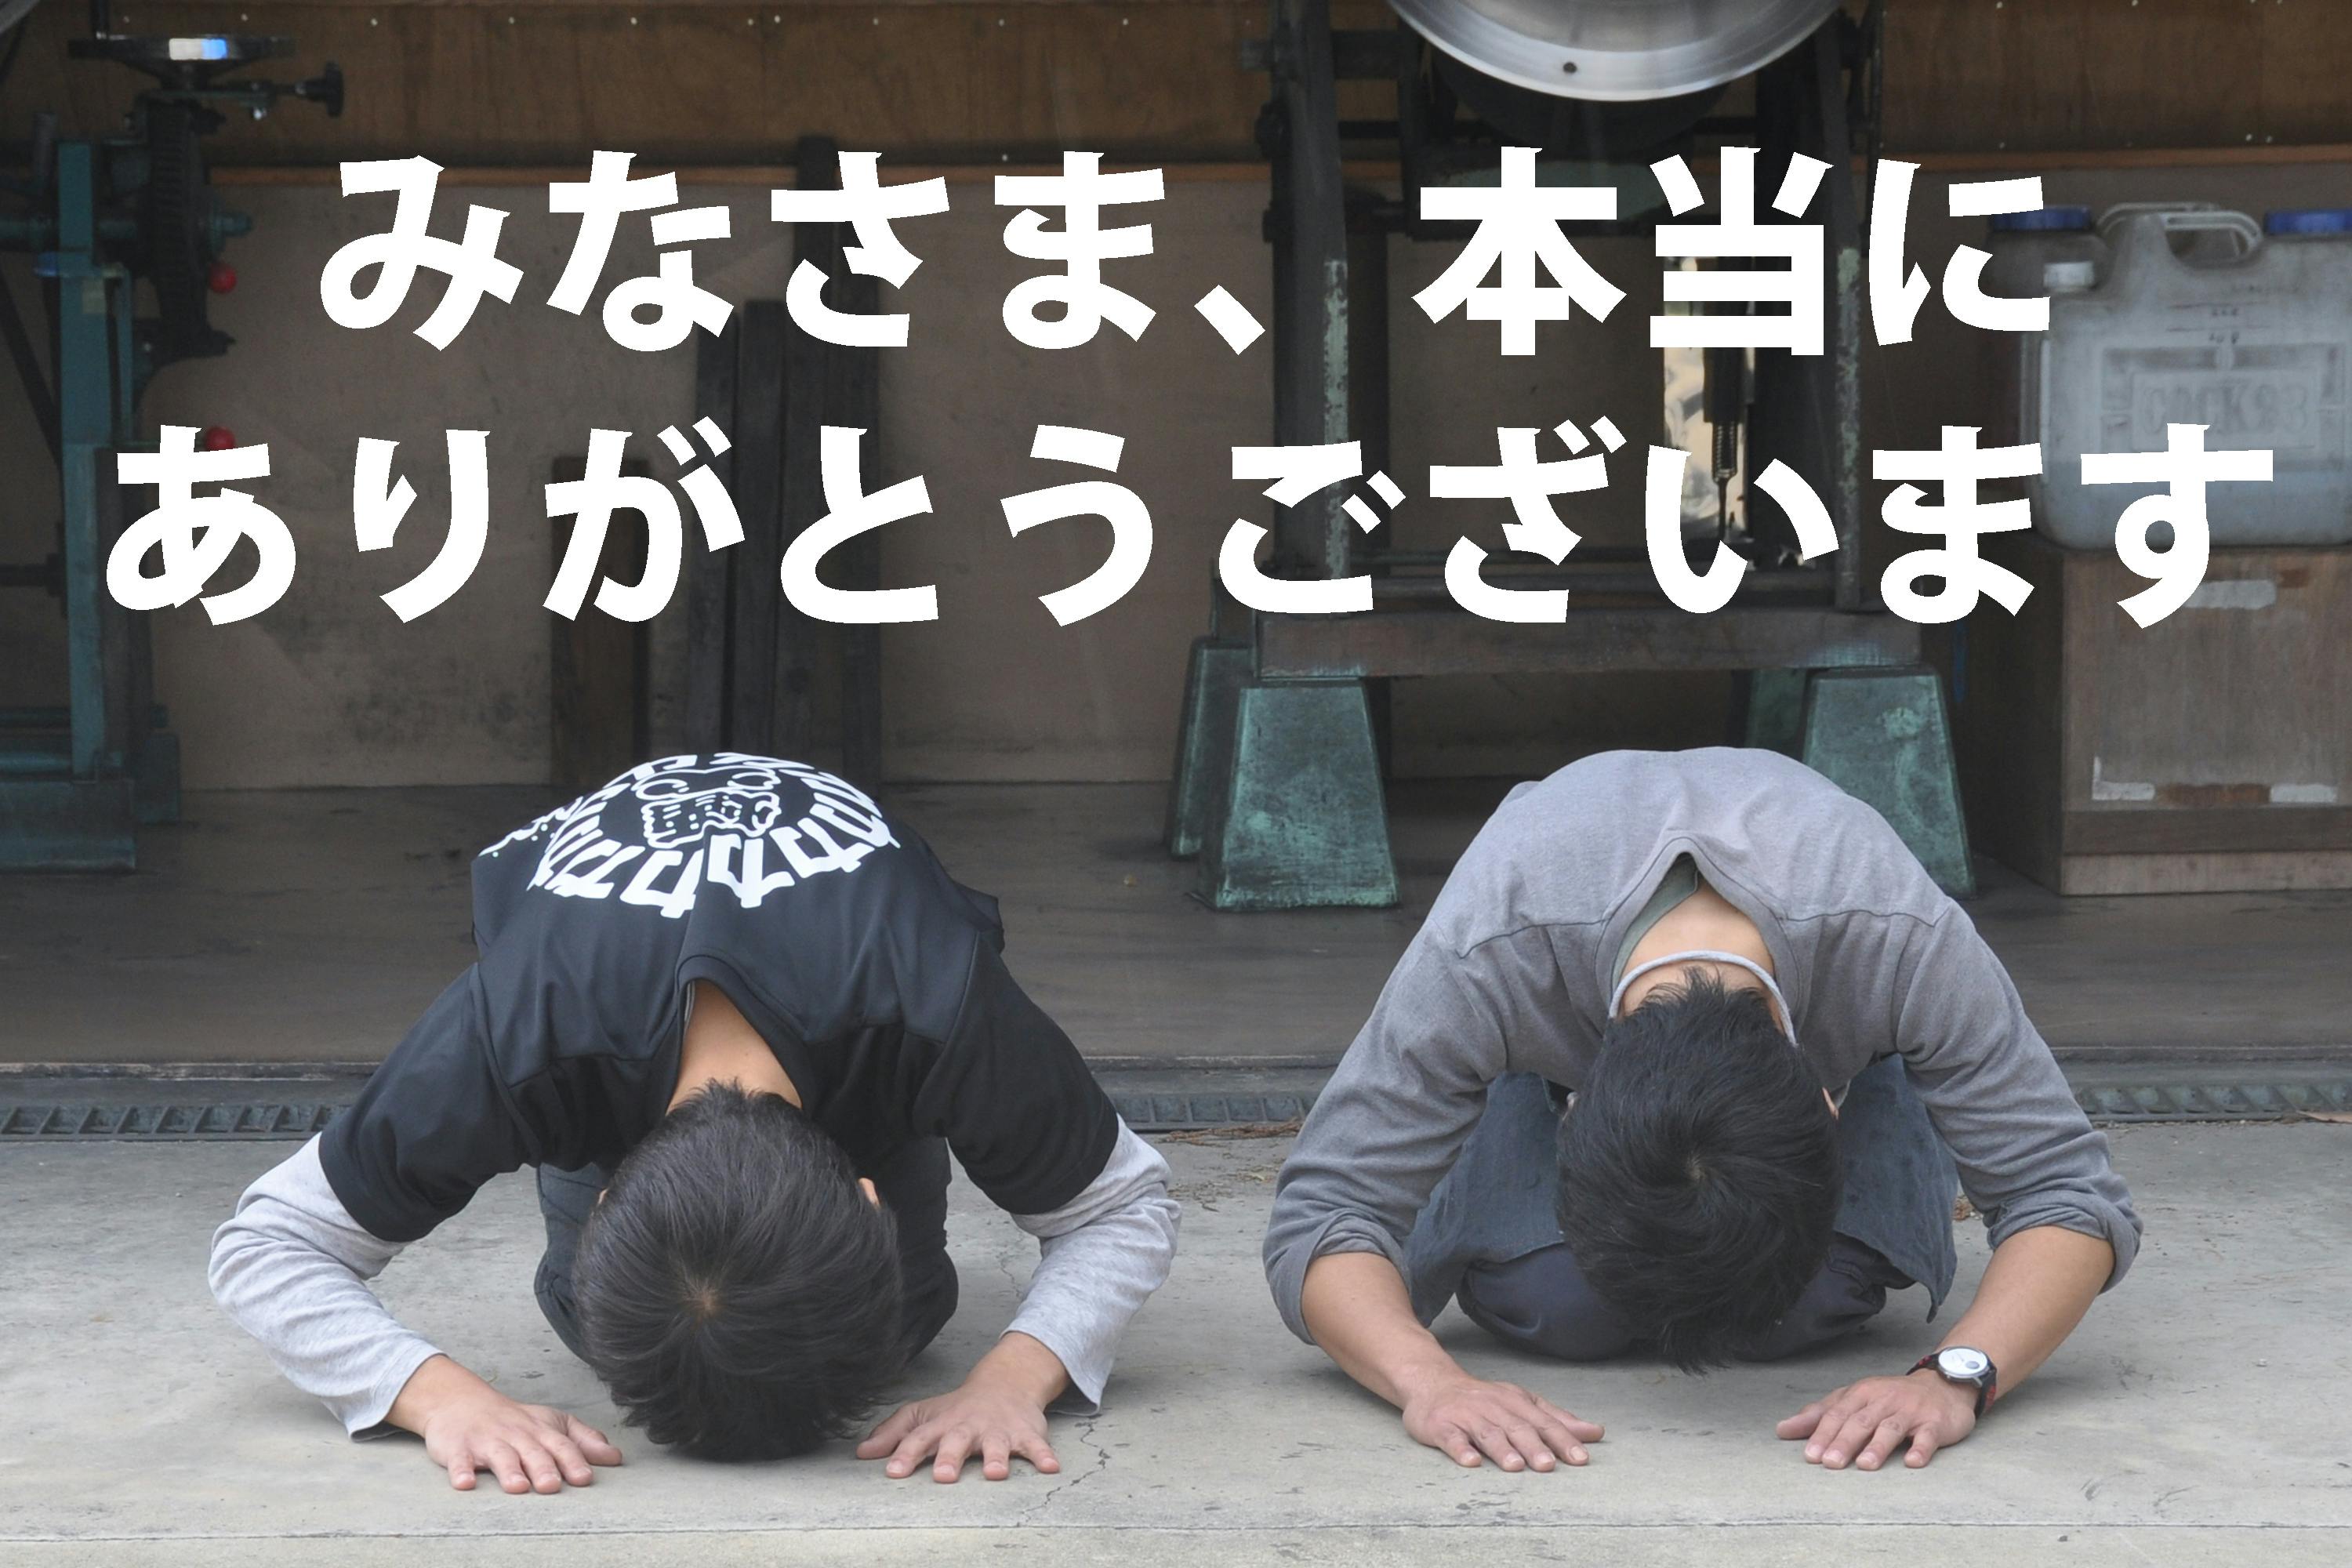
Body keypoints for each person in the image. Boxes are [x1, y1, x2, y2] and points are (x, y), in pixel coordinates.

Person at [212, 753, 1178, 1493]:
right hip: (601, 987)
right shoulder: (521, 1030)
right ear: (601, 1200)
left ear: (868, 1192)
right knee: (655, 1326)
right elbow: (268, 1242)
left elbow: (1121, 1202)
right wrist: (438, 1399)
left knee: (903, 1314)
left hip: (859, 984)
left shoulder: (936, 1000)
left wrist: (1015, 1377)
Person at [1263, 746, 2140, 1475]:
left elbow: (2064, 1193)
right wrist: (1430, 1382)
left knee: (1806, 1301)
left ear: (1829, 1102)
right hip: (1540, 988)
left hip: (1845, 993)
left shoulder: (1900, 939)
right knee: (1559, 1303)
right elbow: (1327, 1211)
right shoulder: (1487, 953)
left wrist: (1956, 1377)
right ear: (1572, 1110)